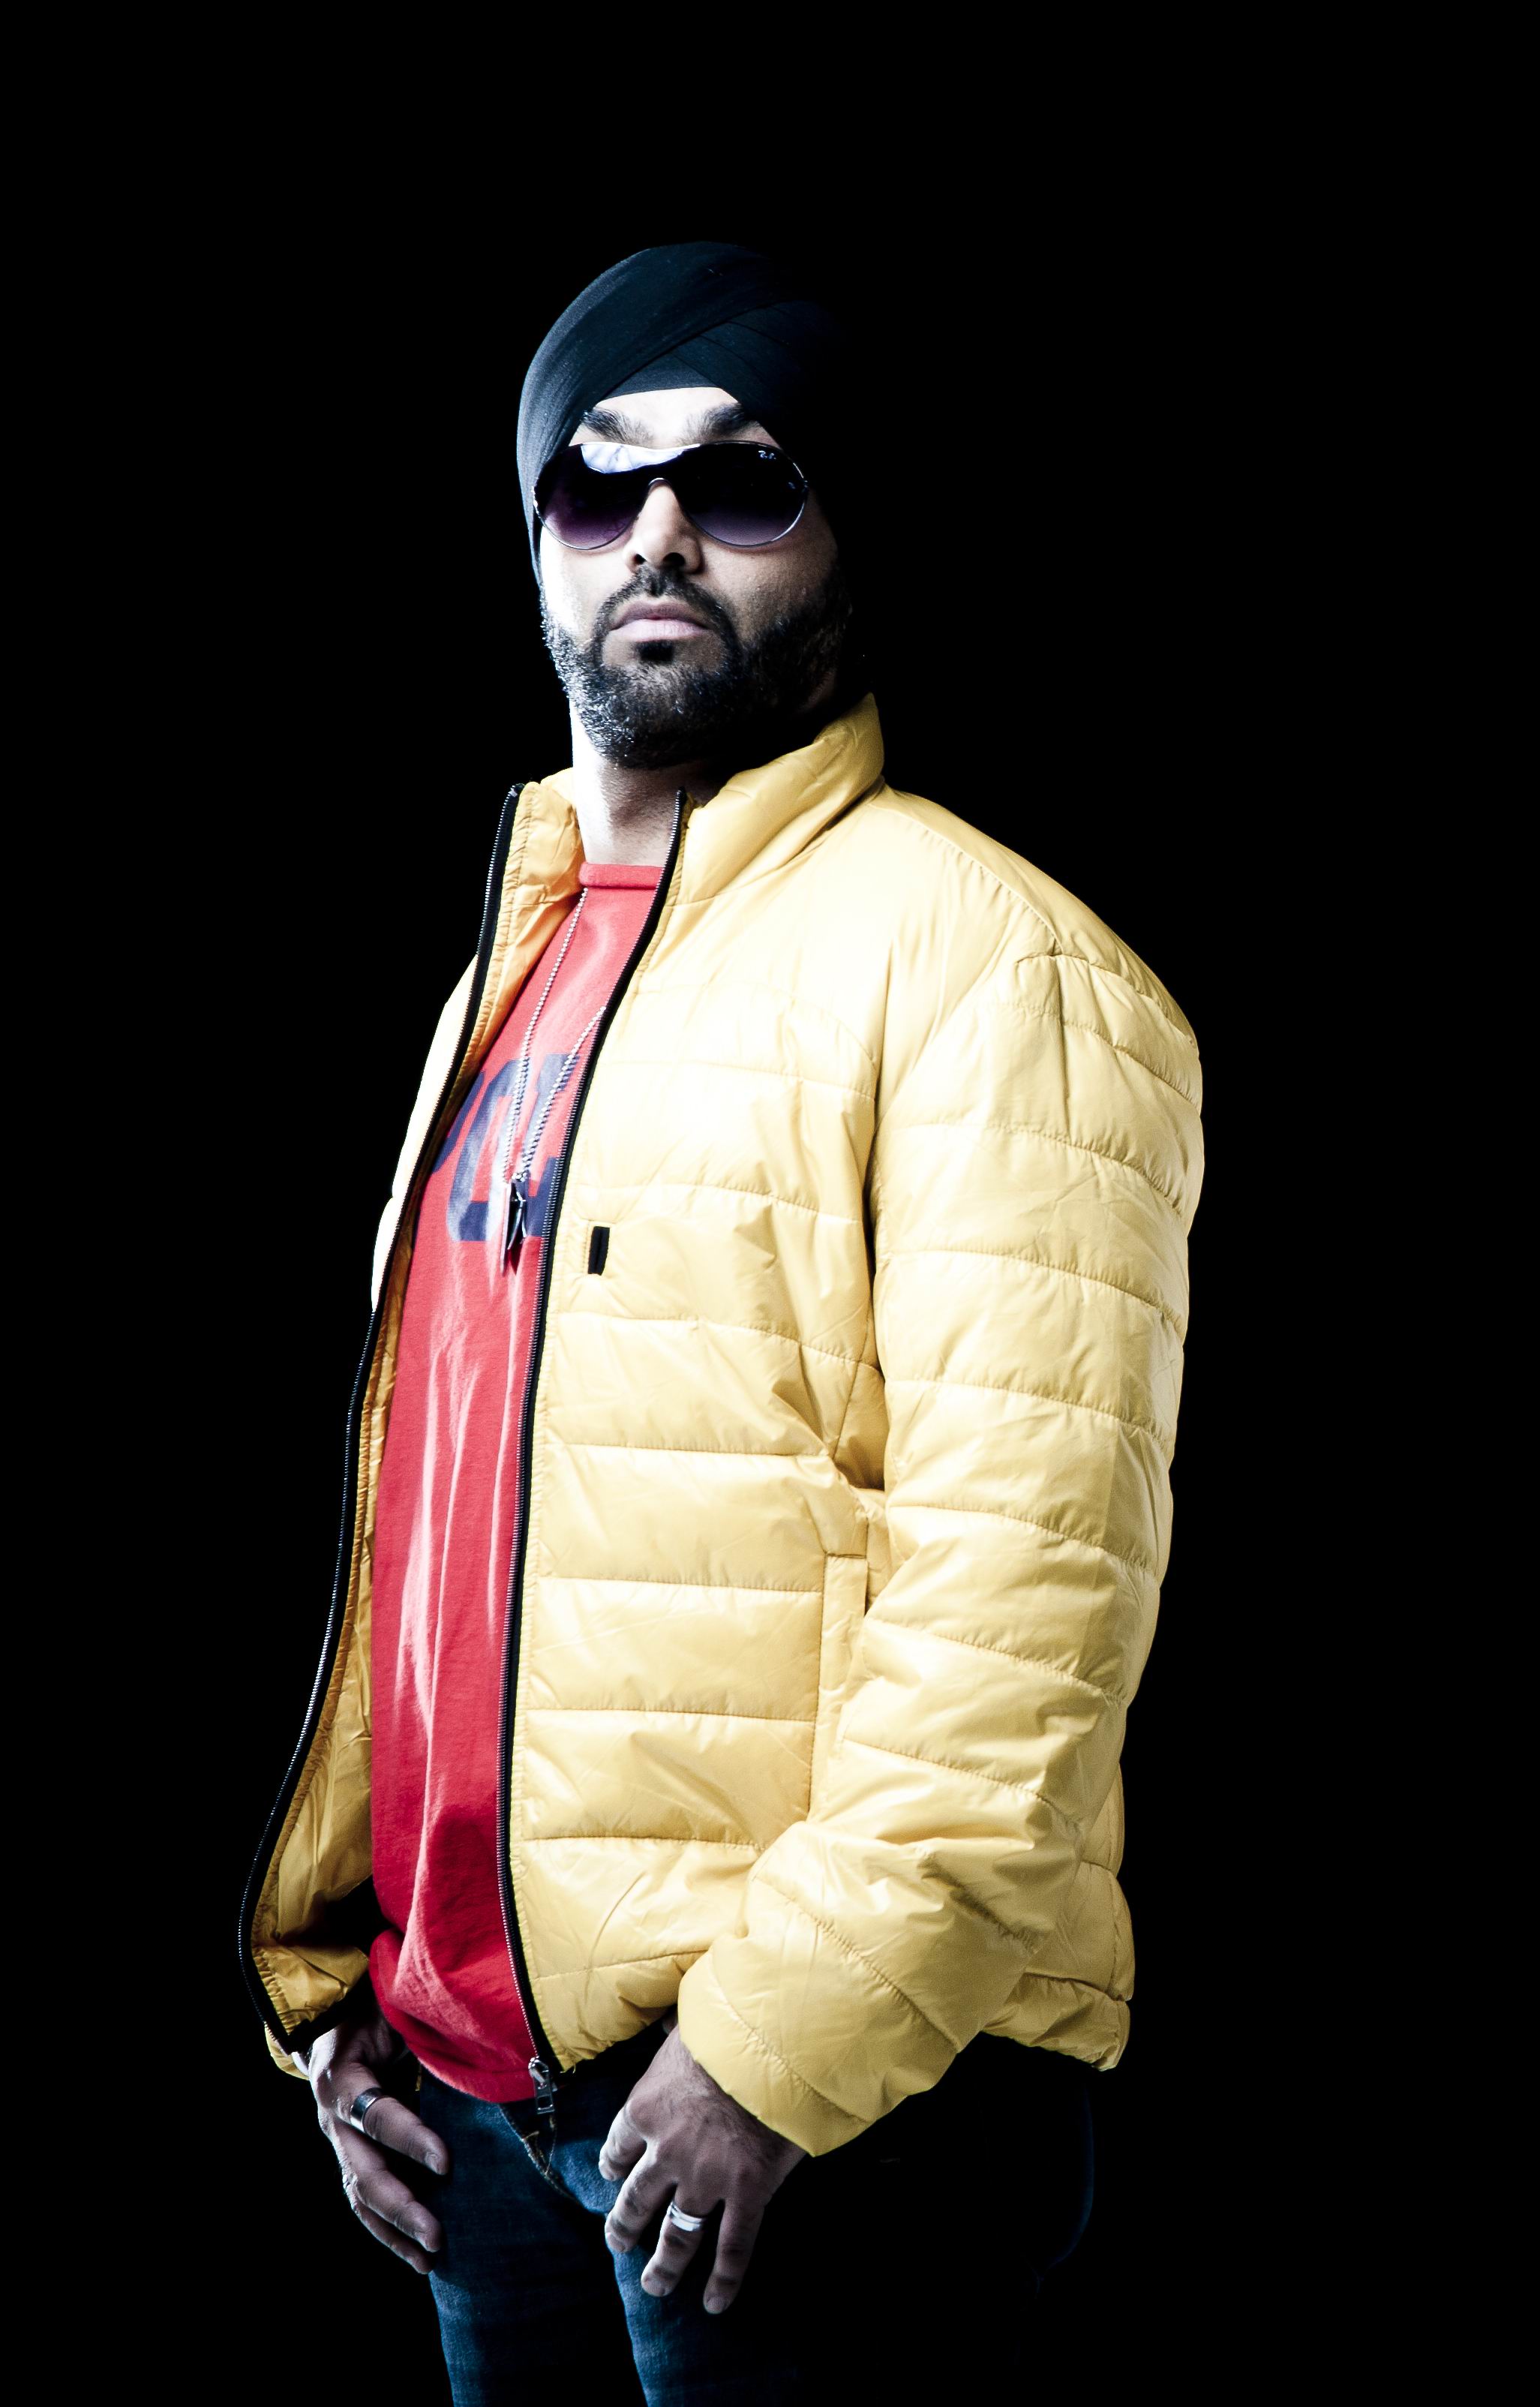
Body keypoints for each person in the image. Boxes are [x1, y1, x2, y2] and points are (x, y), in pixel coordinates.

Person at [239, 240, 1205, 2404]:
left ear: (850, 540)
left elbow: (1031, 1605)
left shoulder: (994, 969)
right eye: (601, 484)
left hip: (809, 2114)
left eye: (745, 479)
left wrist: (780, 2047)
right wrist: (343, 1990)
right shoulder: (513, 973)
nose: (660, 533)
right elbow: (436, 1517)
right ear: (539, 539)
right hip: (484, 2101)